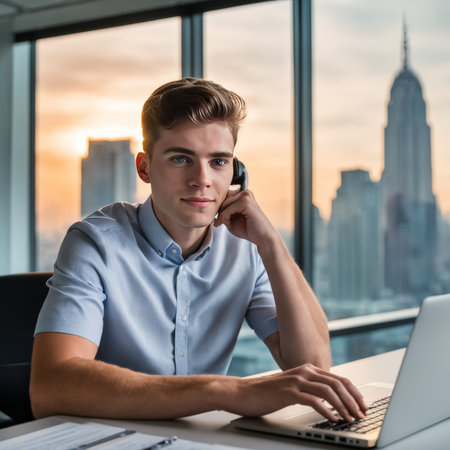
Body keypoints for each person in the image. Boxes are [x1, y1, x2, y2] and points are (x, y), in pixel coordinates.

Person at [30, 78, 367, 422]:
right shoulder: (96, 243)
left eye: (219, 162)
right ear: (144, 167)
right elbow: (50, 386)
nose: (202, 179)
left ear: (236, 173)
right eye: (180, 158)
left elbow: (312, 369)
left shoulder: (245, 248)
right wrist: (227, 392)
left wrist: (271, 244)